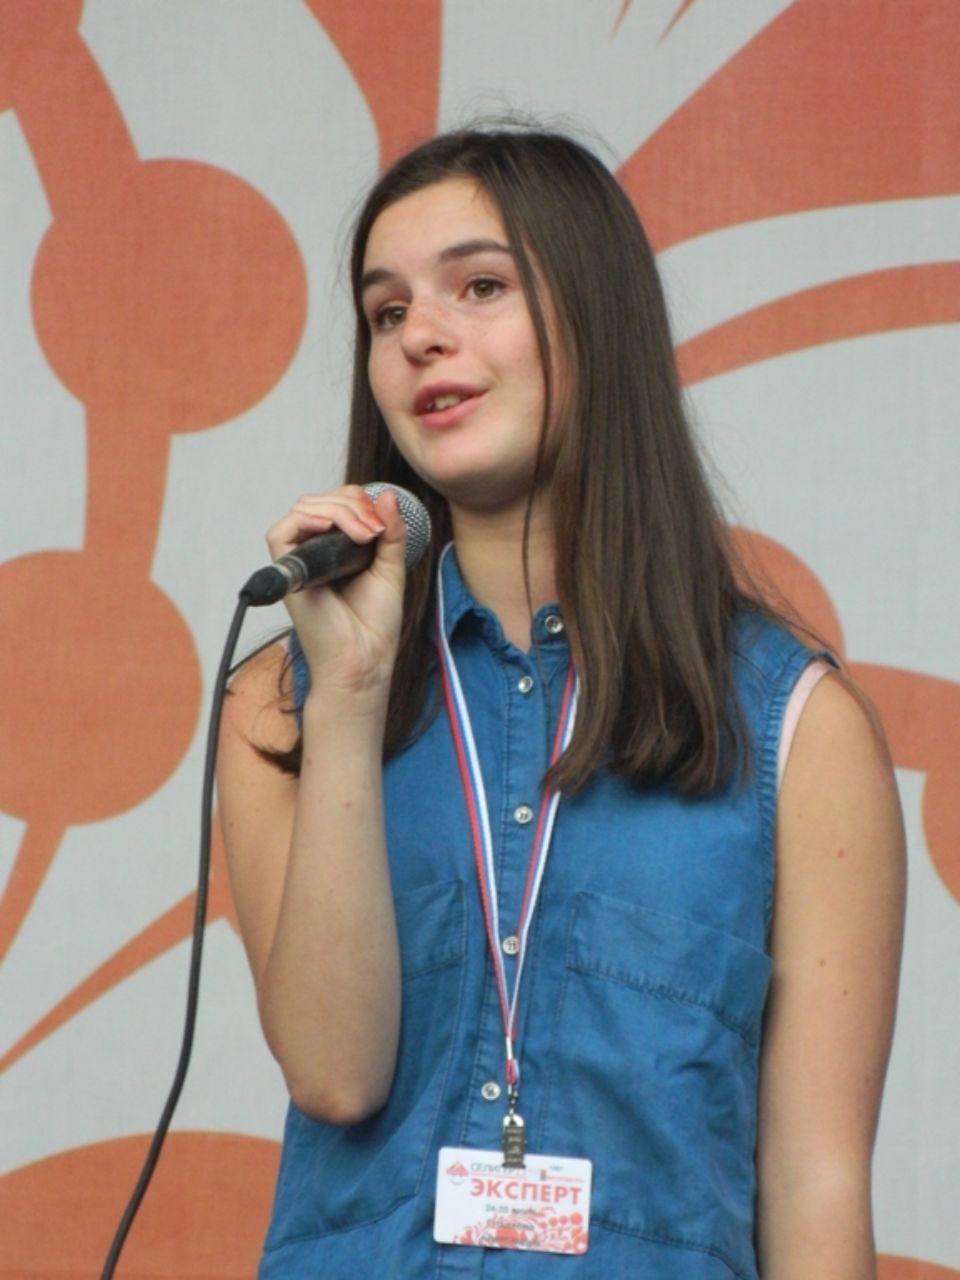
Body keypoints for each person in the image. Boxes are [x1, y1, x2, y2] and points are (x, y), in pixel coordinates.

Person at [217, 126, 905, 1278]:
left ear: (598, 316)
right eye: (387, 311)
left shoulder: (801, 727)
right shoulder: (282, 704)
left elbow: (816, 1184)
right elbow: (335, 1074)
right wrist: (349, 693)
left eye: (480, 287)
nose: (421, 334)